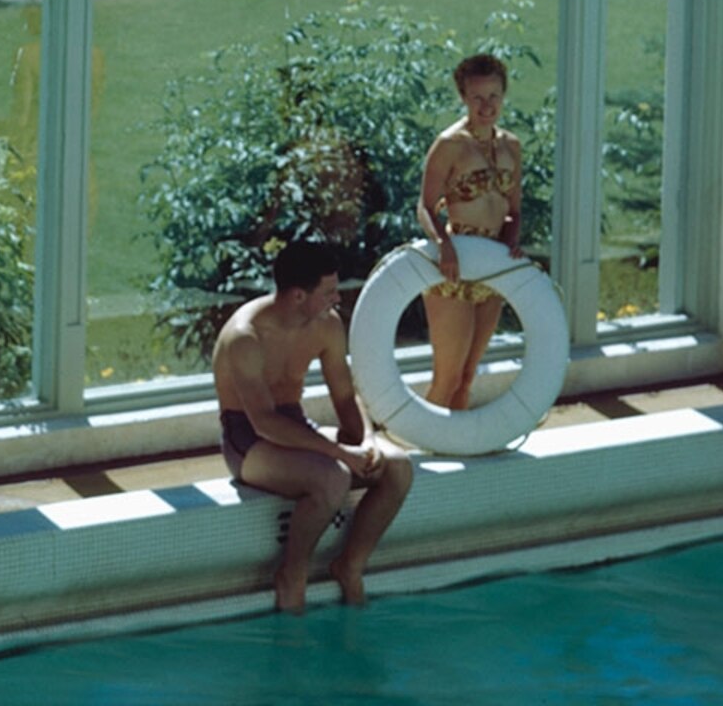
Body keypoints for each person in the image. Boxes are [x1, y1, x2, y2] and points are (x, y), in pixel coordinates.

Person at [210, 238, 412, 610]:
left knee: (397, 467)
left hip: (297, 427)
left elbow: (344, 396)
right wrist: (340, 453)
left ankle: (350, 565)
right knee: (331, 477)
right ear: (299, 295)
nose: (337, 299)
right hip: (249, 442)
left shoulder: (326, 325)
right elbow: (265, 422)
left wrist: (365, 439)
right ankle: (292, 573)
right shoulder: (245, 337)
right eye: (329, 291)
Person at [417, 51, 522, 409]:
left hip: (491, 265)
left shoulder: (511, 145)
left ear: (503, 95)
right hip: (455, 267)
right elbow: (425, 207)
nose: (486, 105)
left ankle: (456, 453)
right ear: (463, 97)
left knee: (467, 379)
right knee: (447, 379)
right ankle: (419, 453)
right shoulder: (450, 145)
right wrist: (443, 246)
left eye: (493, 96)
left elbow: (515, 210)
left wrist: (512, 239)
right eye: (477, 97)